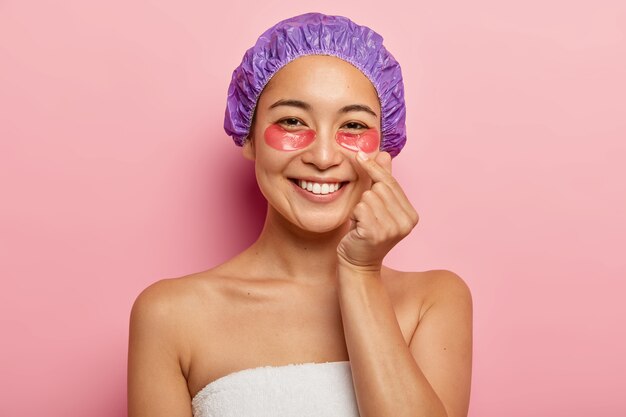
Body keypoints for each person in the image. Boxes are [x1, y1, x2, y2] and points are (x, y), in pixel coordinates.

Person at [127, 12, 472, 417]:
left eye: (353, 125)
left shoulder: (433, 302)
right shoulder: (170, 315)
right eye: (292, 121)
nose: (324, 157)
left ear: (385, 147)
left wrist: (360, 272)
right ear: (250, 138)